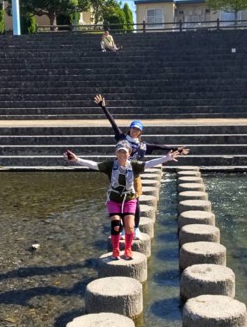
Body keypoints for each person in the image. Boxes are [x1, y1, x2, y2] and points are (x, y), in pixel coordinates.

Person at [93, 93, 190, 237]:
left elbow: (160, 146)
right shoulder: (121, 138)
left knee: (134, 203)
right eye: (133, 128)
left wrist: (177, 149)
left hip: (134, 177)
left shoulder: (144, 146)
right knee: (117, 202)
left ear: (140, 132)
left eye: (137, 130)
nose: (134, 131)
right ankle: (118, 229)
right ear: (130, 129)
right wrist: (104, 108)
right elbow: (113, 124)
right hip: (118, 174)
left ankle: (135, 228)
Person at [64, 141, 180, 260]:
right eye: (119, 151)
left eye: (124, 152)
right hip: (114, 199)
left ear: (129, 154)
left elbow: (149, 164)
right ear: (116, 153)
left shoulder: (134, 166)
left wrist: (166, 158)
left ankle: (128, 249)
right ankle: (115, 249)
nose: (122, 154)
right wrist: (77, 160)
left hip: (129, 199)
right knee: (116, 225)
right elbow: (94, 165)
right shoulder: (110, 165)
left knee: (129, 227)